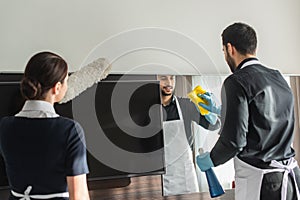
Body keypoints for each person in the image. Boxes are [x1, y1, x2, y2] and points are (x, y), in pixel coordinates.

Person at [196, 22, 300, 200]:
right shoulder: (278, 77)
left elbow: (234, 142)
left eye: (223, 51)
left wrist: (211, 159)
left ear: (230, 48)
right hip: (291, 179)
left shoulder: (236, 81)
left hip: (263, 183)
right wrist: (222, 110)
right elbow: (266, 119)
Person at [0, 51, 90, 200]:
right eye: (66, 81)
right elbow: (79, 195)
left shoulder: (4, 126)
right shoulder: (70, 130)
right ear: (57, 87)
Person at [157, 75, 220, 196]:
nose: (169, 82)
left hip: (185, 175)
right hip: (160, 178)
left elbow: (214, 126)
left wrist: (208, 111)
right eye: (163, 78)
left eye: (172, 78)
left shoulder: (185, 105)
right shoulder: (149, 109)